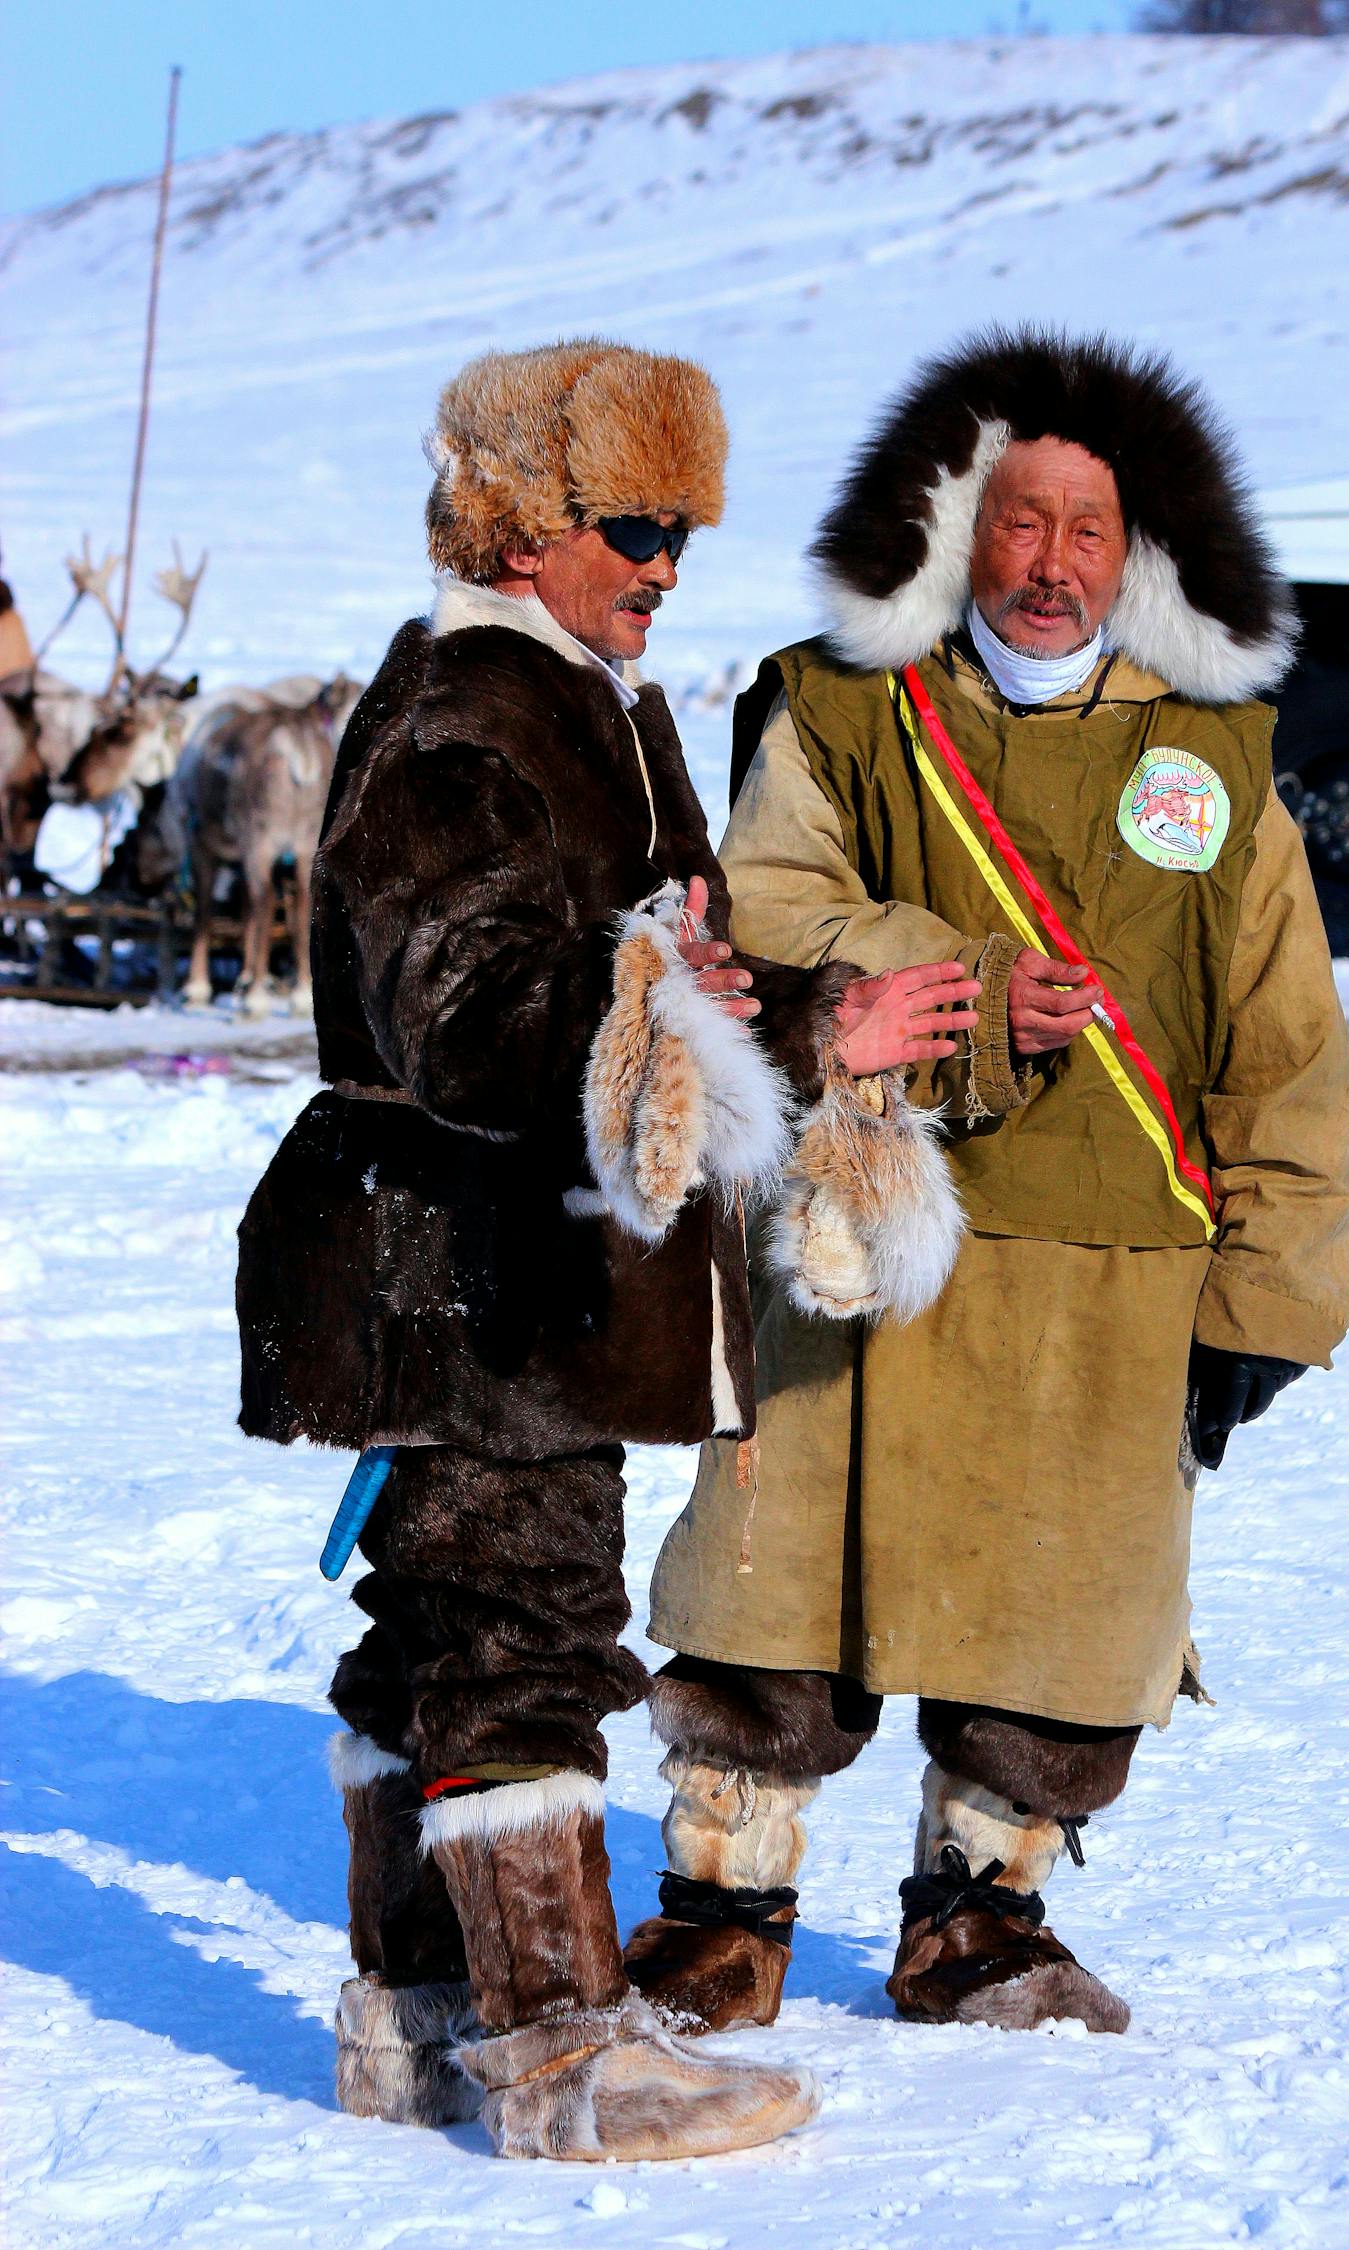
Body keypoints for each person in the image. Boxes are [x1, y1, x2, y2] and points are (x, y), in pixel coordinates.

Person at [235, 338, 977, 2161]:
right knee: (518, 1628)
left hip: (531, 1266)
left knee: (446, 1627)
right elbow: (462, 1012)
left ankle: (417, 2018)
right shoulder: (462, 719)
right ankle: (562, 2047)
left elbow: (683, 992)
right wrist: (648, 994)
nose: (665, 563)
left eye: (685, 532)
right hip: (462, 1269)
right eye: (634, 524)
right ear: (520, 525)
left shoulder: (602, 707)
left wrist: (827, 1026)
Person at [630, 329, 1349, 2041]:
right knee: (780, 1585)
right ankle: (722, 1908)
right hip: (857, 1245)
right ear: (955, 534)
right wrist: (963, 976)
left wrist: (1266, 1302)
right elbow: (773, 909)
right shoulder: (842, 714)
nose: (1049, 567)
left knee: (1060, 1606)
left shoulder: (1215, 767)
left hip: (1110, 1265)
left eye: (1087, 533)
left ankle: (982, 1919)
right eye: (1019, 526)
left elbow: (1290, 1050)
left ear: (1143, 550)